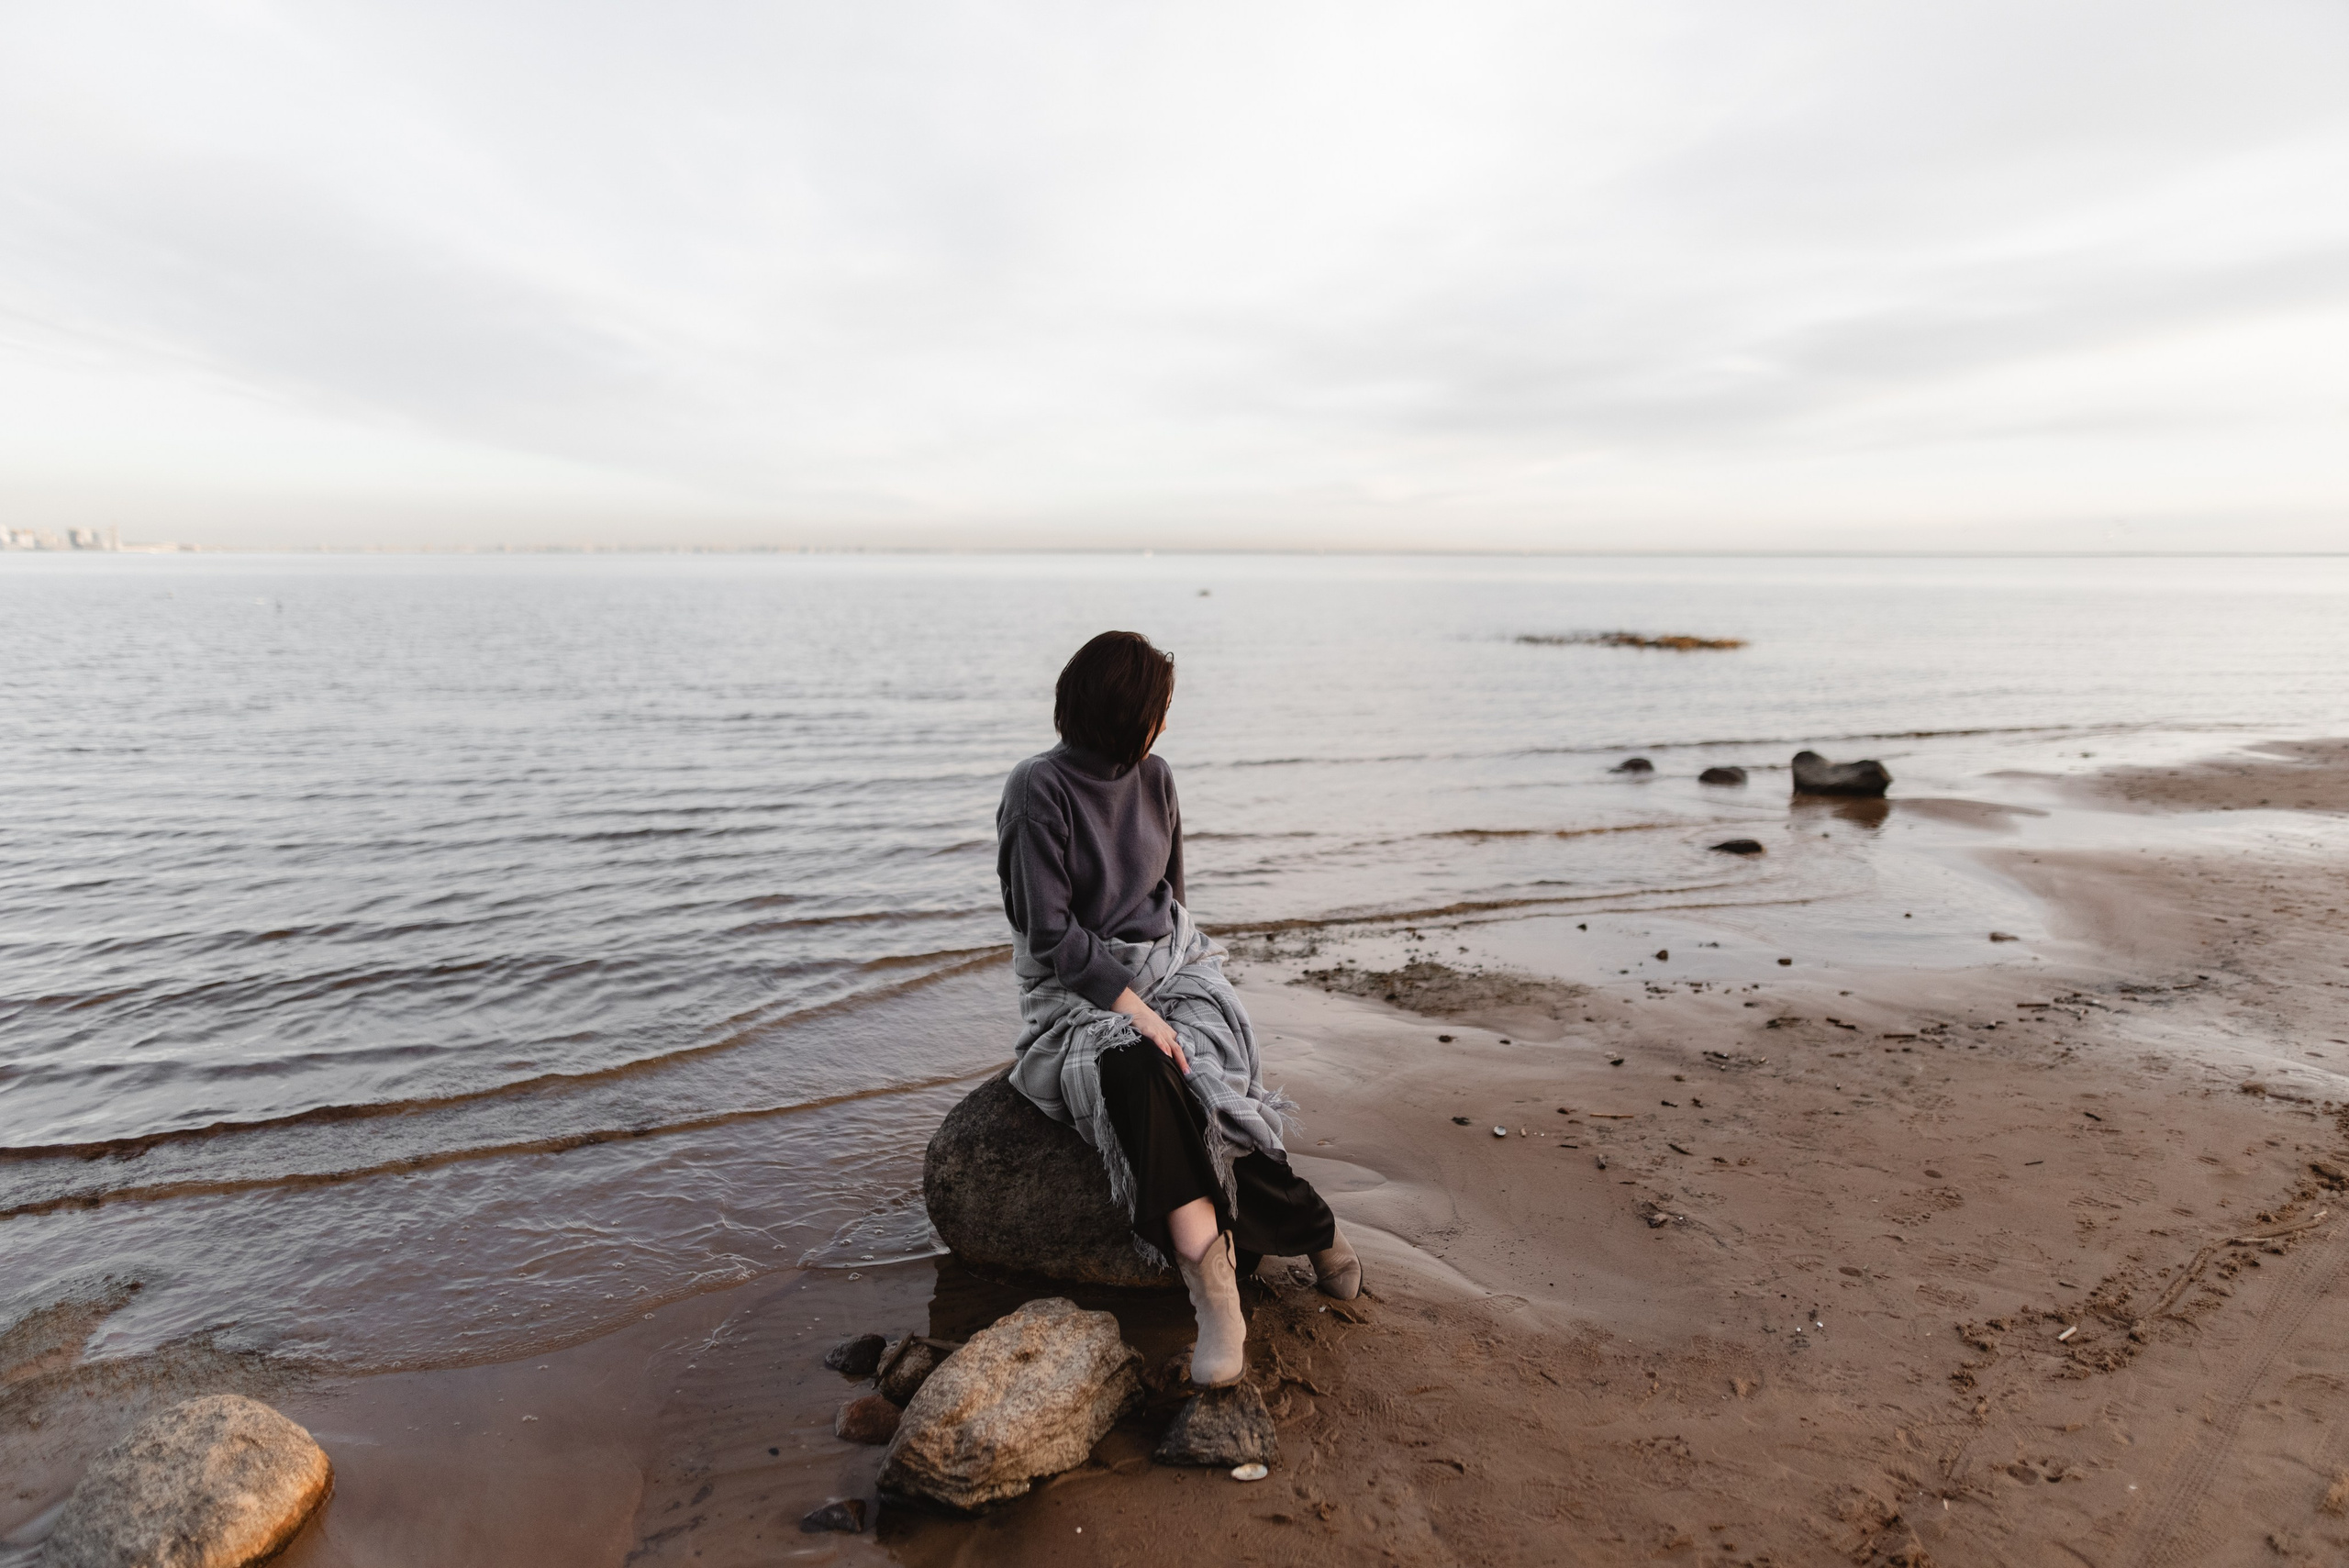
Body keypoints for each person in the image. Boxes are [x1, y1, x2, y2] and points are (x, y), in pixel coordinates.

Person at [996, 630, 1360, 1387]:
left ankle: (1313, 1224)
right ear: (1125, 711)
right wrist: (1135, 1009)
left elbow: (1172, 902)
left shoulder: (1157, 778)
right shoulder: (1038, 788)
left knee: (1198, 1076)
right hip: (1078, 990)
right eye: (1159, 706)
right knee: (1139, 1066)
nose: (1165, 720)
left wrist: (1174, 994)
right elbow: (1050, 931)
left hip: (1172, 966)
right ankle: (1218, 1289)